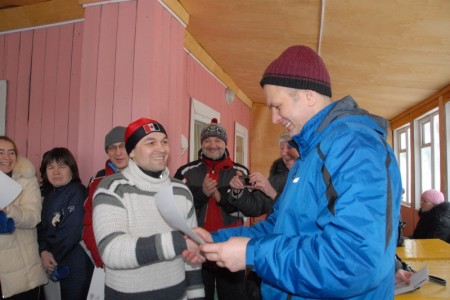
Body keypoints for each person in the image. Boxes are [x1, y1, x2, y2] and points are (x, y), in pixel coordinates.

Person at [185, 45, 402, 299]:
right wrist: (214, 240)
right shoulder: (308, 155)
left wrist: (252, 253)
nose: (275, 118)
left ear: (309, 96)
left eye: (278, 106)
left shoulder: (355, 147)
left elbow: (354, 262)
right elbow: (279, 228)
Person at [93, 117, 204, 299]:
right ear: (132, 153)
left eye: (164, 142)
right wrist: (178, 242)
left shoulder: (181, 191)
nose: (161, 148)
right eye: (150, 142)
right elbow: (112, 250)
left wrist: (196, 295)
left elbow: (192, 257)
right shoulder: (112, 188)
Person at [176, 118, 275, 300]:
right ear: (201, 143)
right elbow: (175, 208)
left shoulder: (240, 171)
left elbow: (252, 209)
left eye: (218, 140)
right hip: (197, 247)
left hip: (231, 247)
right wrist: (201, 193)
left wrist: (227, 196)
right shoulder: (186, 171)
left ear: (225, 143)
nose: (212, 145)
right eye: (207, 140)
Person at [38, 147, 94, 300]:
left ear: (72, 170)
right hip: (52, 262)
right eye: (51, 167)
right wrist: (43, 252)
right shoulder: (48, 197)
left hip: (75, 264)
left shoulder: (77, 192)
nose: (56, 172)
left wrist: (50, 259)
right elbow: (41, 229)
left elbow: (71, 233)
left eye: (62, 166)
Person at [0, 136, 47, 299]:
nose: (6, 157)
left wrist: (8, 209)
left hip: (21, 269)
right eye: (1, 152)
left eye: (11, 153)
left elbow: (33, 217)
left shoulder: (25, 179)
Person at [82, 126, 129, 267]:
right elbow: (89, 224)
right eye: (112, 148)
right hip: (106, 261)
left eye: (123, 146)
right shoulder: (98, 181)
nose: (118, 152)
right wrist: (101, 259)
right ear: (107, 152)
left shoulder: (145, 179)